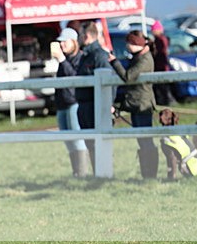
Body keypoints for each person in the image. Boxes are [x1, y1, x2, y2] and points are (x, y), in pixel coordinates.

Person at [109, 30, 158, 179]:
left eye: (130, 43)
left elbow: (128, 77)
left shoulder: (144, 60)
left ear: (137, 44)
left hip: (142, 105)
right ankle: (147, 175)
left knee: (146, 141)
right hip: (138, 104)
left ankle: (150, 175)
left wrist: (114, 62)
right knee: (143, 141)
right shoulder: (140, 57)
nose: (127, 46)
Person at [50, 27, 88, 177]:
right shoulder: (63, 60)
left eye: (65, 42)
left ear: (74, 42)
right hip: (62, 104)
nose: (62, 45)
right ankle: (76, 172)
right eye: (61, 42)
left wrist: (62, 60)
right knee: (67, 139)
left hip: (74, 102)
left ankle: (82, 172)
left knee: (77, 138)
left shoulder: (79, 58)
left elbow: (74, 77)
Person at [75, 21, 111, 171]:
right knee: (90, 142)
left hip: (94, 105)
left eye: (80, 36)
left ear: (87, 36)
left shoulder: (100, 56)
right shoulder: (85, 56)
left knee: (99, 142)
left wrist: (108, 104)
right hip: (84, 105)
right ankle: (98, 172)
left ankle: (103, 171)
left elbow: (109, 83)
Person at [158, 108, 197, 180]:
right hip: (193, 161)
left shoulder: (168, 138)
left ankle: (172, 177)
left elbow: (172, 158)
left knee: (172, 159)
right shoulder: (176, 133)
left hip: (190, 165)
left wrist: (171, 177)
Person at [150, 20, 177, 106]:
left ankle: (169, 100)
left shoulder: (161, 40)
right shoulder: (159, 40)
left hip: (161, 66)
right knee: (161, 86)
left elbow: (160, 53)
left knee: (163, 86)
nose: (152, 31)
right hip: (160, 65)